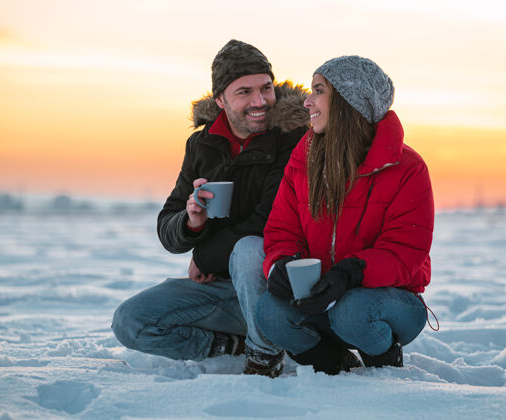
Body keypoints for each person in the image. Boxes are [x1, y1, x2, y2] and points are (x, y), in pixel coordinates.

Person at [111, 40, 309, 377]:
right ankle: (231, 348)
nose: (259, 101)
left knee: (250, 248)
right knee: (130, 321)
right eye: (244, 92)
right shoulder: (203, 144)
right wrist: (192, 222)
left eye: (266, 88)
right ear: (220, 100)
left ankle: (268, 351)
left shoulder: (292, 137)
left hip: (276, 286)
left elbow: (269, 223)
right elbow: (167, 226)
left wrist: (205, 257)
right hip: (221, 289)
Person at [255, 55, 435, 375]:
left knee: (352, 312)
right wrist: (280, 264)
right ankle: (333, 361)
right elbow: (282, 230)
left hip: (389, 302)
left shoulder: (408, 168)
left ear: (348, 101)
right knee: (269, 312)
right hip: (321, 297)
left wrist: (350, 273)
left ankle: (383, 359)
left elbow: (407, 252)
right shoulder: (303, 162)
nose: (307, 101)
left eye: (318, 90)